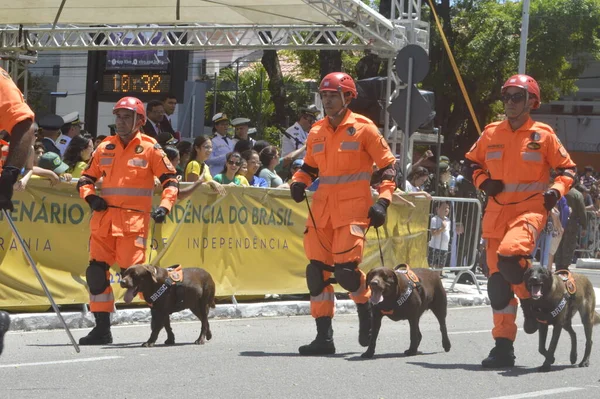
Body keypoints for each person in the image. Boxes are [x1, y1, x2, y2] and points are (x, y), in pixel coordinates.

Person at [464, 74, 576, 368]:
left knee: (511, 257)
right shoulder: (490, 133)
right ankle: (503, 347)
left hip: (529, 211)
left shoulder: (543, 134)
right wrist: (483, 182)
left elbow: (567, 170)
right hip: (496, 214)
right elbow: (471, 162)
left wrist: (555, 191)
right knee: (498, 285)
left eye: (517, 97)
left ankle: (530, 300)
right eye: (506, 97)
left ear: (531, 102)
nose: (509, 103)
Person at [289, 72, 396, 355]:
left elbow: (388, 168)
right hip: (321, 212)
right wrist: (298, 182)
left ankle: (367, 311)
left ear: (348, 97)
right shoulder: (316, 131)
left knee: (347, 274)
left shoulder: (365, 128)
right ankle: (324, 338)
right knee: (316, 273)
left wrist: (383, 201)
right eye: (324, 95)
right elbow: (309, 167)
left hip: (353, 211)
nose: (327, 100)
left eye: (333, 95)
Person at [75, 96, 179, 345]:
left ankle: (169, 313)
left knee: (139, 281)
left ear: (139, 121)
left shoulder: (151, 147)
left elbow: (171, 181)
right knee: (96, 275)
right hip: (103, 223)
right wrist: (90, 199)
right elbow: (85, 180)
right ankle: (102, 330)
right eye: (118, 117)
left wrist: (164, 207)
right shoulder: (105, 147)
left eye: (126, 117)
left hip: (132, 226)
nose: (120, 122)